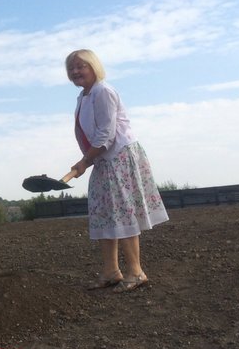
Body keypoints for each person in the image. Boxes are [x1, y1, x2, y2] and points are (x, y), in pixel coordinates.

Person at [65, 49, 169, 292]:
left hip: (119, 157)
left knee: (122, 212)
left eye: (82, 66)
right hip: (103, 158)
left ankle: (136, 272)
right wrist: (88, 161)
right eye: (72, 68)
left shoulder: (103, 91)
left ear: (94, 67)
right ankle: (111, 271)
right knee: (103, 212)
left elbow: (106, 134)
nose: (76, 71)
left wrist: (84, 162)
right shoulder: (84, 96)